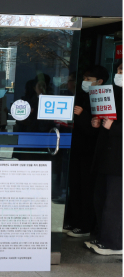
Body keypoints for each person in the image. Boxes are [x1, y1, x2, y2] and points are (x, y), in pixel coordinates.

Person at [63, 65, 108, 238]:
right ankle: (74, 220)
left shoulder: (102, 99)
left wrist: (82, 115)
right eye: (84, 78)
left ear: (99, 82)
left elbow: (95, 129)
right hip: (76, 148)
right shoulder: (82, 96)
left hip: (91, 151)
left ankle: (85, 224)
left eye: (88, 79)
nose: (84, 82)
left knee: (86, 188)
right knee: (74, 186)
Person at [86, 61, 122, 255]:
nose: (119, 74)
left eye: (122, 71)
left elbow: (116, 125)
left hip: (119, 160)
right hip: (106, 156)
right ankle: (103, 237)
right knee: (101, 198)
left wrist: (113, 127)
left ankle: (114, 243)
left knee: (114, 202)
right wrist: (97, 123)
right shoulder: (115, 94)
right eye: (118, 70)